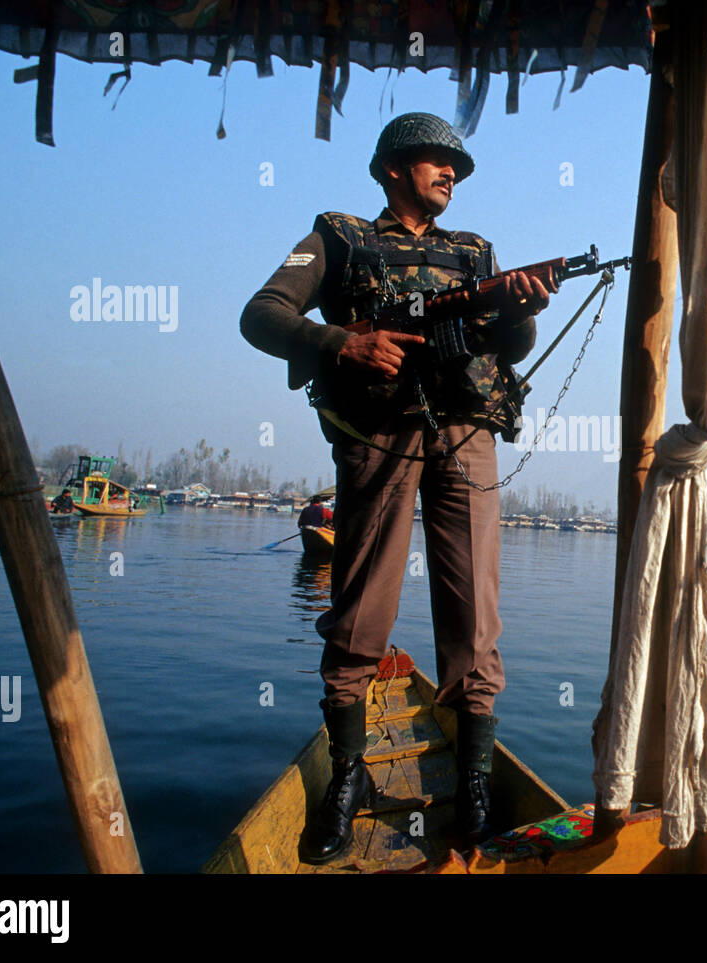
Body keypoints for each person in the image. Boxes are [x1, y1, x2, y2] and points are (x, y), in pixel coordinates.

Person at [240, 112, 554, 865]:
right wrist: (344, 341)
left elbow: (506, 346)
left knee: (476, 608)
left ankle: (474, 785)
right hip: (379, 435)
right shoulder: (339, 237)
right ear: (390, 168)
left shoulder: (475, 253)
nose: (451, 173)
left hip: (467, 435)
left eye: (457, 166)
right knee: (361, 604)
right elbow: (262, 312)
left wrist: (522, 311)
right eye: (436, 161)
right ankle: (347, 778)